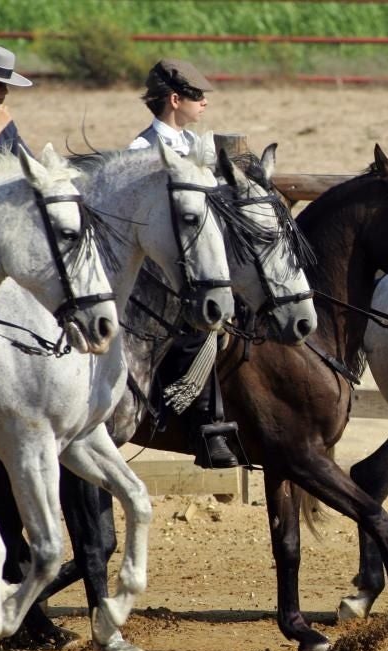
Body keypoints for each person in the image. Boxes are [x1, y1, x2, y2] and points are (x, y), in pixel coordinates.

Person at [128, 58, 237, 469]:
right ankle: (206, 429)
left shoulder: (200, 147)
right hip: (159, 275)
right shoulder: (141, 152)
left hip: (203, 265)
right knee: (196, 329)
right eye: (197, 96)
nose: (205, 102)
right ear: (176, 100)